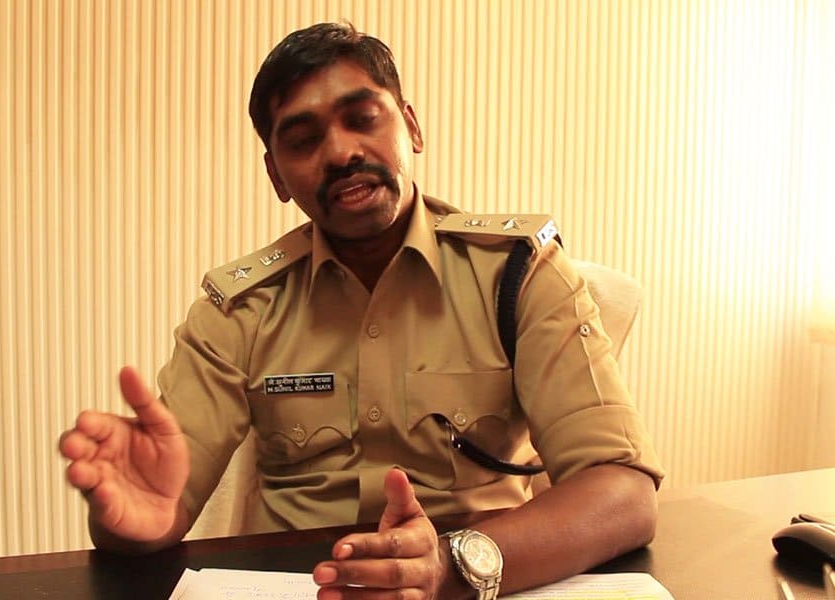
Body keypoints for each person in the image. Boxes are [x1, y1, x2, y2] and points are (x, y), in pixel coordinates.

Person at [59, 21, 664, 599]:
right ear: (276, 175)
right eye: (303, 140)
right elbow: (159, 506)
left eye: (362, 118)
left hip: (480, 580)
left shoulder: (518, 273)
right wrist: (131, 520)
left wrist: (450, 568)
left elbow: (623, 493)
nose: (341, 151)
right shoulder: (240, 309)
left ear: (411, 126)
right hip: (307, 586)